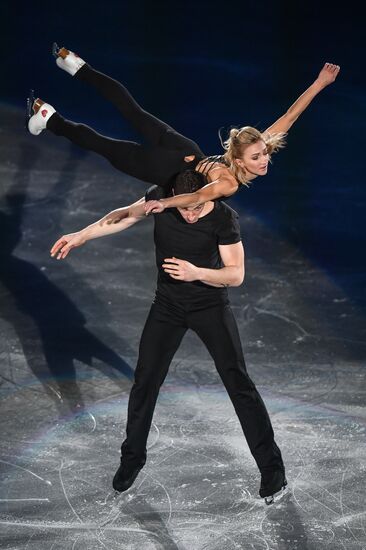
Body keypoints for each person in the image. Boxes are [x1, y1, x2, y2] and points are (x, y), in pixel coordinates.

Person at [50, 171, 287, 505]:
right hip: (168, 307)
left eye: (195, 207)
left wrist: (197, 273)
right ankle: (132, 459)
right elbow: (123, 216)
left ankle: (272, 470)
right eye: (184, 208)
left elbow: (236, 275)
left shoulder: (223, 218)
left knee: (237, 381)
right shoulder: (161, 200)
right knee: (145, 380)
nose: (189, 214)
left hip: (210, 306)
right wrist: (82, 235)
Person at [28, 44, 340, 222]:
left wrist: (319, 83)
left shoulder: (245, 154)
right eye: (258, 157)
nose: (264, 160)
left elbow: (289, 117)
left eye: (263, 154)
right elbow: (199, 195)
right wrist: (164, 204)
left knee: (131, 108)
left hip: (182, 147)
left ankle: (75, 64)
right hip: (167, 169)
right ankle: (50, 118)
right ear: (240, 160)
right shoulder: (229, 183)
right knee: (102, 145)